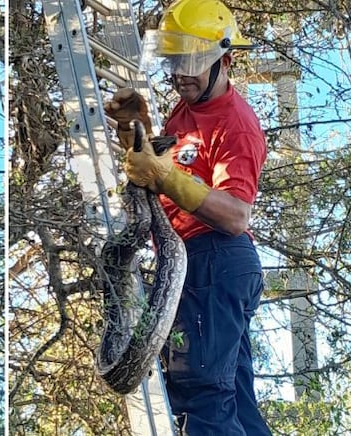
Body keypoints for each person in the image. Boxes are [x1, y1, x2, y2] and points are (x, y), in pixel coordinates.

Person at [104, 0, 272, 434]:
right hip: (199, 263)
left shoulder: (236, 124)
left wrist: (166, 176)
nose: (181, 72)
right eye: (176, 59)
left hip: (214, 258)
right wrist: (135, 131)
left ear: (224, 60)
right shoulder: (186, 111)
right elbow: (163, 170)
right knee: (234, 403)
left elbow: (235, 215)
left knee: (201, 397)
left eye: (193, 61)